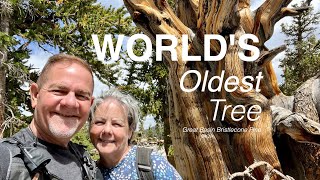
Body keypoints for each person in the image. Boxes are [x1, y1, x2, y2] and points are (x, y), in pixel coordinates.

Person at [0, 54, 102, 180]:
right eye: (59, 91)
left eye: (81, 95)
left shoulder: (89, 166)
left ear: (90, 104)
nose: (70, 103)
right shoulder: (5, 159)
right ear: (35, 95)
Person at [89, 88, 182, 180]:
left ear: (130, 131)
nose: (107, 130)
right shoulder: (88, 172)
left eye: (116, 124)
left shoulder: (153, 164)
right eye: (99, 122)